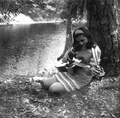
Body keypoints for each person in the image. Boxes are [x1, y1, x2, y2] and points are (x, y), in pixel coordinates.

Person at [35, 27, 104, 93]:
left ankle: (65, 86)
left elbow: (91, 72)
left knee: (52, 88)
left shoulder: (95, 50)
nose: (80, 43)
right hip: (70, 72)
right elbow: (67, 56)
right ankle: (46, 80)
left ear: (88, 37)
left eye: (82, 40)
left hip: (81, 79)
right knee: (45, 83)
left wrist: (88, 70)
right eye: (78, 41)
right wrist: (66, 59)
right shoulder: (77, 47)